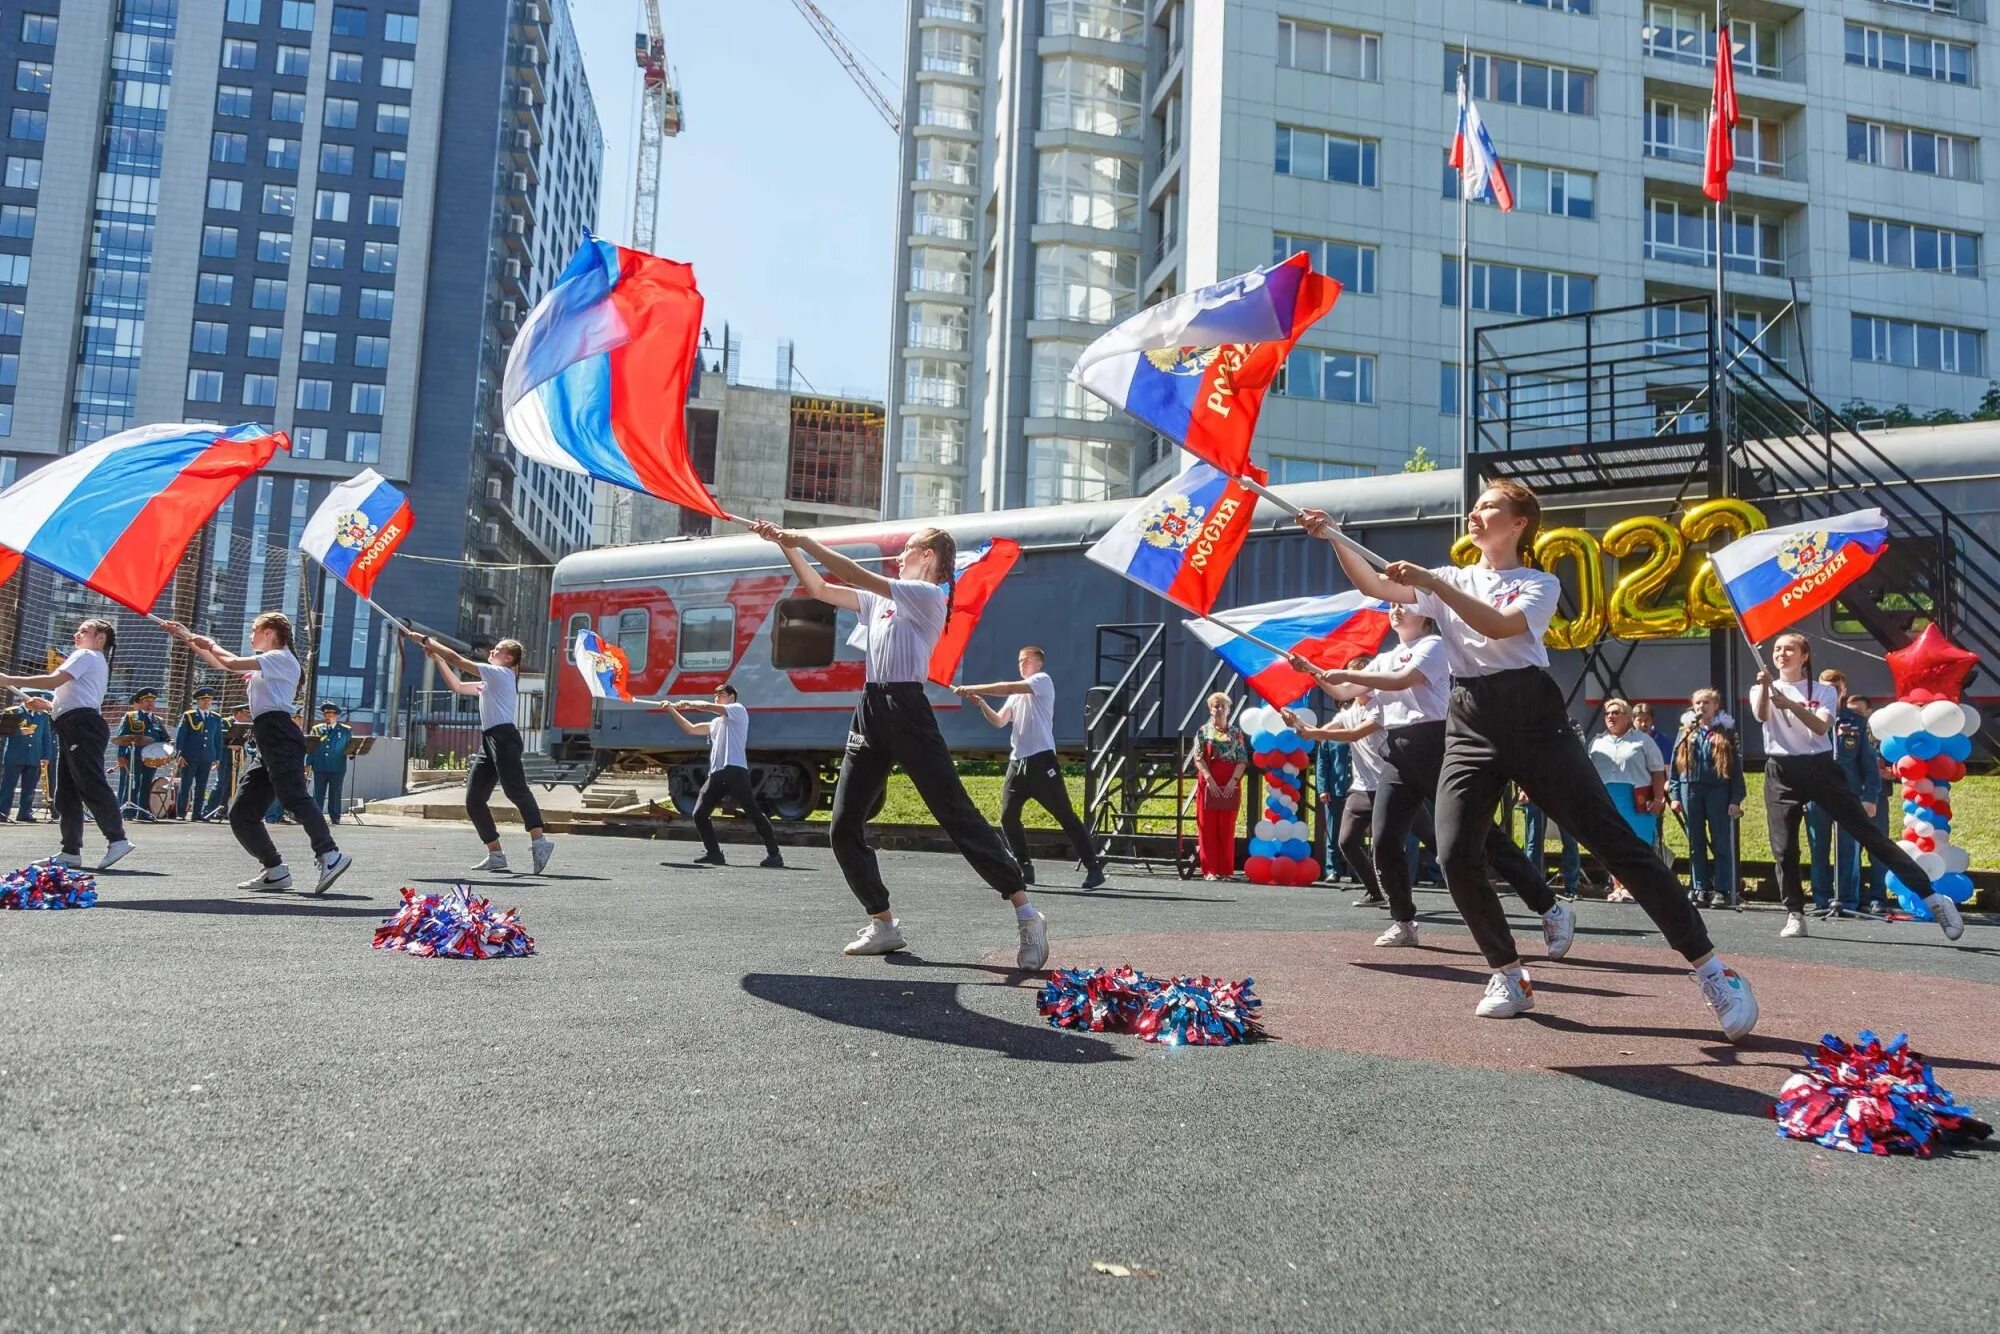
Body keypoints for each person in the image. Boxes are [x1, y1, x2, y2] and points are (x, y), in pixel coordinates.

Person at [1297, 481, 1760, 1038]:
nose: (1476, 512)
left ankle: (1713, 971)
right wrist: (1334, 538)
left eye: (1490, 506)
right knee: (1453, 853)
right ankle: (1508, 973)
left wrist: (1432, 585)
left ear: (1519, 523)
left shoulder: (1538, 583)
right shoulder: (1450, 578)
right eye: (1476, 505)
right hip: (1469, 719)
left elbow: (1497, 627)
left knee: (1614, 841)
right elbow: (1373, 581)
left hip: (1533, 717)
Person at [749, 520, 1048, 966]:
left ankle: (1027, 913)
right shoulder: (881, 601)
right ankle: (884, 924)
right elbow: (819, 588)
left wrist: (807, 539)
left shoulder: (928, 596)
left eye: (909, 549)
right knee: (844, 826)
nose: (901, 555)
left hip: (907, 706)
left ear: (928, 556)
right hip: (870, 707)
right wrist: (785, 545)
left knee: (955, 813)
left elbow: (856, 574)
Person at [1293, 606, 1575, 956]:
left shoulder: (1435, 646)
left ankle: (1551, 908)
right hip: (1398, 753)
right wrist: (1314, 672)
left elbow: (1403, 679)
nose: (1395, 611)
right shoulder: (1384, 657)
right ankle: (1404, 921)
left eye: (1404, 607)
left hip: (1438, 747)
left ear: (1424, 616)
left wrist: (1341, 675)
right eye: (1393, 607)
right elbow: (1344, 691)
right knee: (1384, 840)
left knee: (1484, 837)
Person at [1754, 633, 1957, 940]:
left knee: (1867, 833)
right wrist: (1767, 690)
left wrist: (1791, 705)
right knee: (1784, 849)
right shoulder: (1763, 688)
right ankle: (1795, 913)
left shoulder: (1822, 690)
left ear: (1804, 656)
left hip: (1820, 767)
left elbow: (1821, 726)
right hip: (1781, 770)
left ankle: (1932, 897)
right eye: (1778, 649)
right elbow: (1760, 714)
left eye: (1789, 649)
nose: (1782, 654)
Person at [163, 613, 351, 894]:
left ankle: (330, 854)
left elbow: (229, 660)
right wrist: (188, 637)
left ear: (270, 632)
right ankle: (274, 870)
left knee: (293, 797)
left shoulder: (280, 658)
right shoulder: (267, 663)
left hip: (278, 733)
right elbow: (222, 662)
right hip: (266, 736)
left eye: (254, 630)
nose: (251, 636)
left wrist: (207, 641)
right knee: (241, 813)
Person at [956, 646, 1106, 890]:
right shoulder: (1016, 695)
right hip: (1018, 763)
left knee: (1064, 815)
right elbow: (999, 721)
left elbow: (1008, 686)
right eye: (1019, 661)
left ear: (1039, 662)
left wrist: (974, 688)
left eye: (1025, 660)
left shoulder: (1042, 681)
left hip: (1042, 761)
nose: (1021, 664)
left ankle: (1093, 867)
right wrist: (981, 703)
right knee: (1008, 816)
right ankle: (1025, 867)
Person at [411, 634, 556, 876]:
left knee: (515, 790)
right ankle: (496, 854)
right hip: (489, 741)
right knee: (474, 800)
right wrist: (436, 657)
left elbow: (457, 658)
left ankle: (540, 842)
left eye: (497, 650)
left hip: (504, 738)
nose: (491, 652)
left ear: (508, 658)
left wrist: (428, 640)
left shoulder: (501, 674)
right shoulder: (491, 681)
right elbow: (456, 686)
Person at [0, 619, 134, 869]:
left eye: (84, 630)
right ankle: (70, 851)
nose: (76, 634)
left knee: (90, 782)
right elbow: (77, 698)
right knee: (67, 792)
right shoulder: (95, 660)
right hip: (73, 725)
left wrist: (8, 680)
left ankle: (117, 839)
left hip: (81, 726)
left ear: (101, 637)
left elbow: (54, 681)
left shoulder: (86, 654)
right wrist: (48, 706)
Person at [655, 685, 784, 869]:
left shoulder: (738, 710)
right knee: (699, 814)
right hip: (717, 773)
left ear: (732, 697)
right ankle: (714, 854)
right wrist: (672, 710)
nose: (716, 697)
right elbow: (690, 729)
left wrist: (688, 703)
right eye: (714, 695)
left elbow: (707, 707)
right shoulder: (716, 724)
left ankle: (774, 854)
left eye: (721, 694)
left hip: (735, 771)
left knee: (753, 812)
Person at [1804, 668, 1881, 917]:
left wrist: (1869, 796)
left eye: (1837, 688)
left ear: (1844, 690)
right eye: (1827, 687)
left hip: (1849, 794)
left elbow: (1870, 765)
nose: (1832, 691)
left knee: (1849, 849)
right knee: (1819, 848)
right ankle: (1822, 900)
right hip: (1816, 794)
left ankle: (1848, 900)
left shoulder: (1856, 722)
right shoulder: (1808, 719)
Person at [1669, 688, 1744, 910]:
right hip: (1690, 788)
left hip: (1718, 789)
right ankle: (1699, 886)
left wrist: (1736, 798)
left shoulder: (1727, 732)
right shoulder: (1686, 730)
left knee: (1720, 839)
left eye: (1706, 703)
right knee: (1695, 841)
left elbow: (1736, 767)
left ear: (1715, 706)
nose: (1701, 707)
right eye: (1698, 703)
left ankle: (1722, 888)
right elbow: (1675, 764)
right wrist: (1674, 793)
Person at [1587, 698, 1669, 900]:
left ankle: (1636, 887)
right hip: (1607, 799)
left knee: (1637, 844)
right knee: (1611, 845)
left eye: (1616, 713)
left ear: (1628, 717)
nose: (1610, 717)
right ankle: (1618, 886)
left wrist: (1658, 799)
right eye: (1607, 713)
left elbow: (1658, 772)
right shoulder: (1597, 742)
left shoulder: (1643, 741)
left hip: (1636, 800)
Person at [1191, 692, 1248, 882]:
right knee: (1207, 826)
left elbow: (1242, 760)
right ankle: (1209, 870)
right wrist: (1209, 778)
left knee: (1227, 826)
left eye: (1223, 706)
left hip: (1230, 782)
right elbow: (1198, 758)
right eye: (1216, 706)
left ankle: (1225, 870)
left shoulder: (1236, 733)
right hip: (1209, 781)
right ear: (1210, 709)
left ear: (1229, 709)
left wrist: (1233, 781)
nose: (1219, 709)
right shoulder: (1203, 731)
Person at [0, 688, 57, 823]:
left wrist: (46, 756)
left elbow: (46, 737)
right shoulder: (13, 712)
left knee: (30, 787)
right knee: (8, 785)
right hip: (15, 755)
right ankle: (2, 812)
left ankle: (25, 812)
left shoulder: (42, 716)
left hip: (34, 755)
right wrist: (19, 732)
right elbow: (3, 732)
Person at [114, 688, 168, 822]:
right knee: (133, 784)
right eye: (147, 701)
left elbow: (165, 737)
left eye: (153, 701)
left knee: (146, 785)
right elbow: (122, 737)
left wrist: (168, 746)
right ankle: (128, 812)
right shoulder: (131, 717)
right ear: (141, 702)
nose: (150, 704)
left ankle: (143, 812)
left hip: (152, 758)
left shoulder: (157, 720)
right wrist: (121, 755)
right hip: (134, 757)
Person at [174, 687, 225, 822]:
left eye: (208, 700)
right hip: (190, 756)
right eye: (203, 700)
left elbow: (218, 739)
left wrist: (217, 757)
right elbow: (181, 737)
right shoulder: (189, 715)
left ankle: (197, 813)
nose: (206, 702)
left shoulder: (215, 717)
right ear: (198, 701)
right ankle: (181, 812)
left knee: (201, 787)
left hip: (207, 756)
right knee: (186, 785)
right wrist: (179, 755)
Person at [1313, 715, 1352, 884]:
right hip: (1336, 789)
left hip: (1358, 788)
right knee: (1333, 831)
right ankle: (1333, 870)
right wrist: (1323, 789)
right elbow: (1322, 764)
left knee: (1357, 833)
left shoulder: (1360, 729)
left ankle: (1358, 871)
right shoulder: (1328, 735)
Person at [307, 701, 353, 825]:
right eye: (325, 714)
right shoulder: (317, 729)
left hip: (337, 767)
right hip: (320, 766)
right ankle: (317, 817)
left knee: (335, 793)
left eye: (330, 714)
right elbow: (311, 748)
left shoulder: (345, 730)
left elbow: (350, 748)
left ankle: (335, 817)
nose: (327, 717)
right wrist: (307, 765)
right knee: (318, 794)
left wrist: (352, 753)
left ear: (336, 715)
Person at [211, 703, 253, 822]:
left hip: (236, 755)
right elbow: (219, 738)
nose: (249, 716)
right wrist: (229, 745)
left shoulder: (245, 726)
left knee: (231, 784)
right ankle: (211, 808)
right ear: (238, 713)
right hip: (225, 754)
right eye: (246, 713)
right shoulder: (225, 722)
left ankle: (223, 809)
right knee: (222, 781)